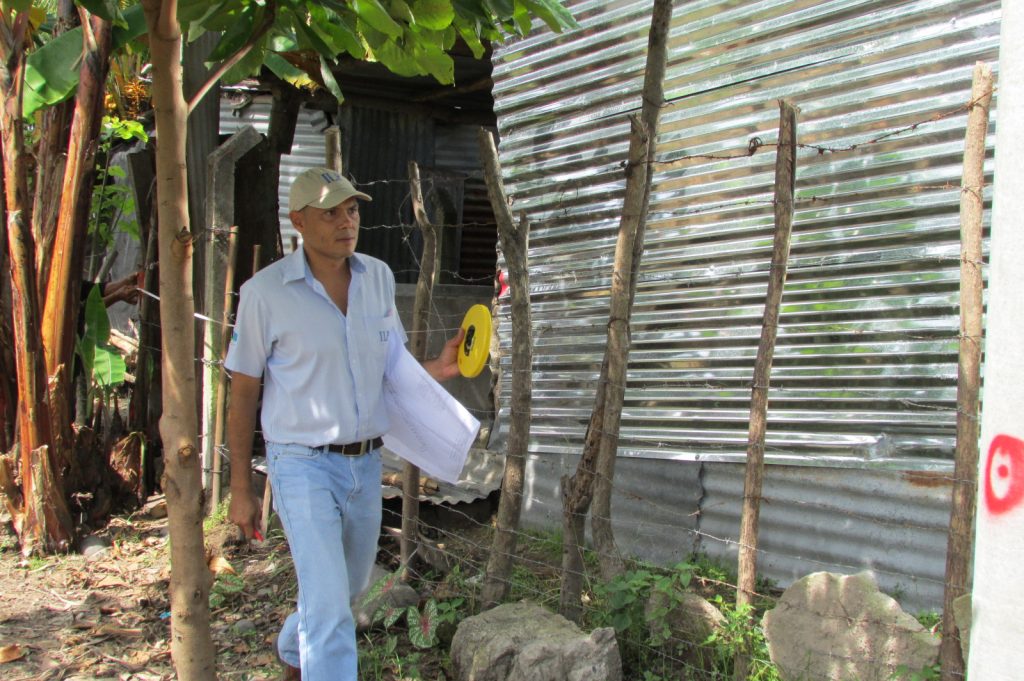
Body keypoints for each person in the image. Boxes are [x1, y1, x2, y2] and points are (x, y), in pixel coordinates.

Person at [225, 167, 463, 681]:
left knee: (348, 591)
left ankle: (294, 649)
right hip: (301, 463)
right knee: (333, 608)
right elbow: (242, 394)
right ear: (298, 222)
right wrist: (240, 487)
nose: (344, 221)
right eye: (329, 212)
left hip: (366, 463)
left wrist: (437, 369)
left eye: (351, 209)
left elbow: (391, 364)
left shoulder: (376, 276)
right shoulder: (264, 293)